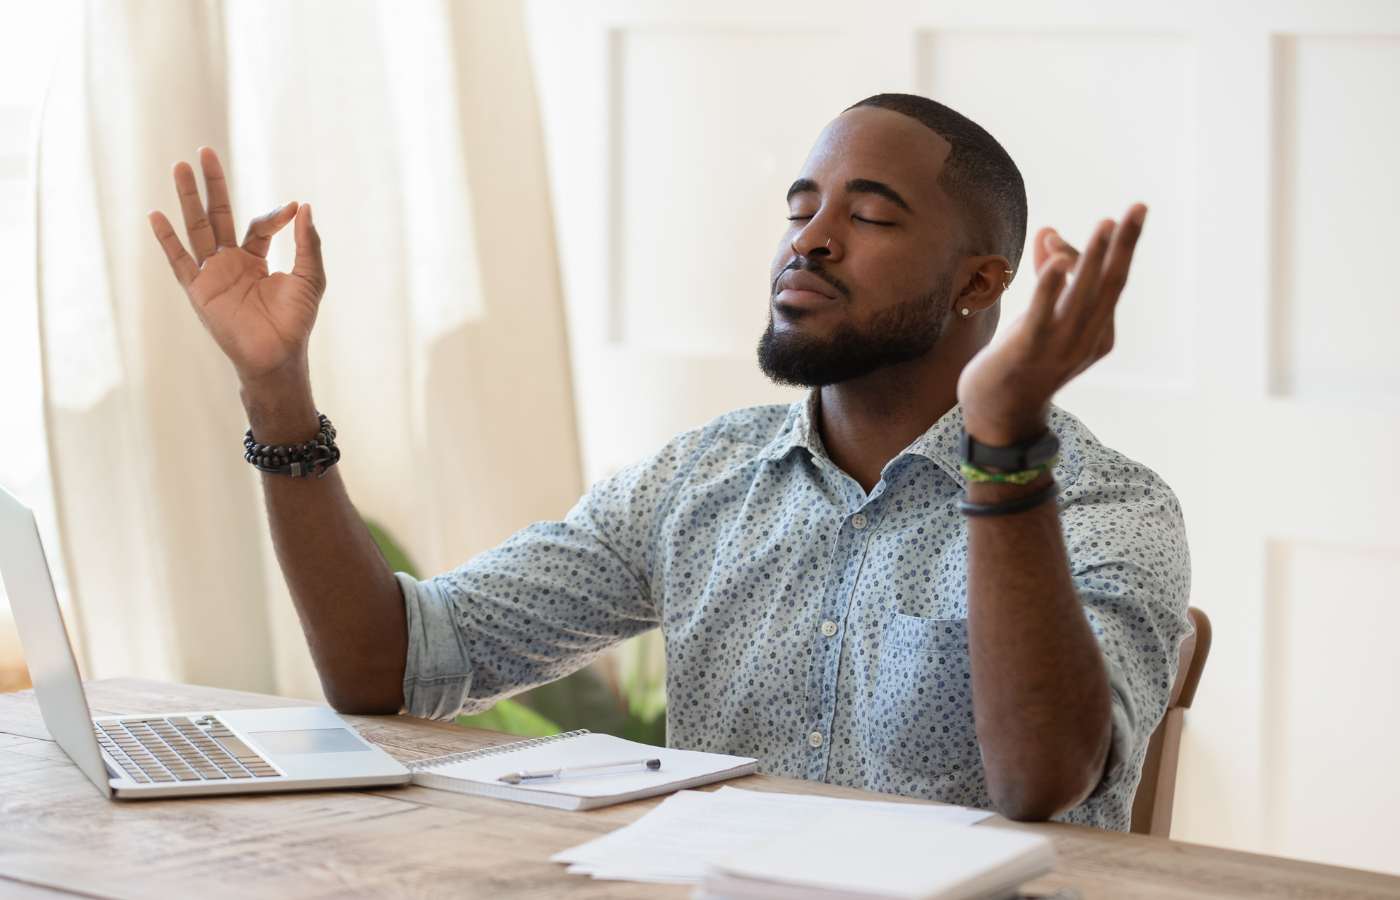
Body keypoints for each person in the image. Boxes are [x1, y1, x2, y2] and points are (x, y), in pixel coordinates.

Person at [148, 93, 1190, 829]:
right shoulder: (699, 482)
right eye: (798, 209)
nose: (809, 240)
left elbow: (1042, 785)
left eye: (867, 214)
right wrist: (277, 394)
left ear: (979, 281)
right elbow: (390, 667)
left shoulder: (1110, 507)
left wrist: (1002, 444)